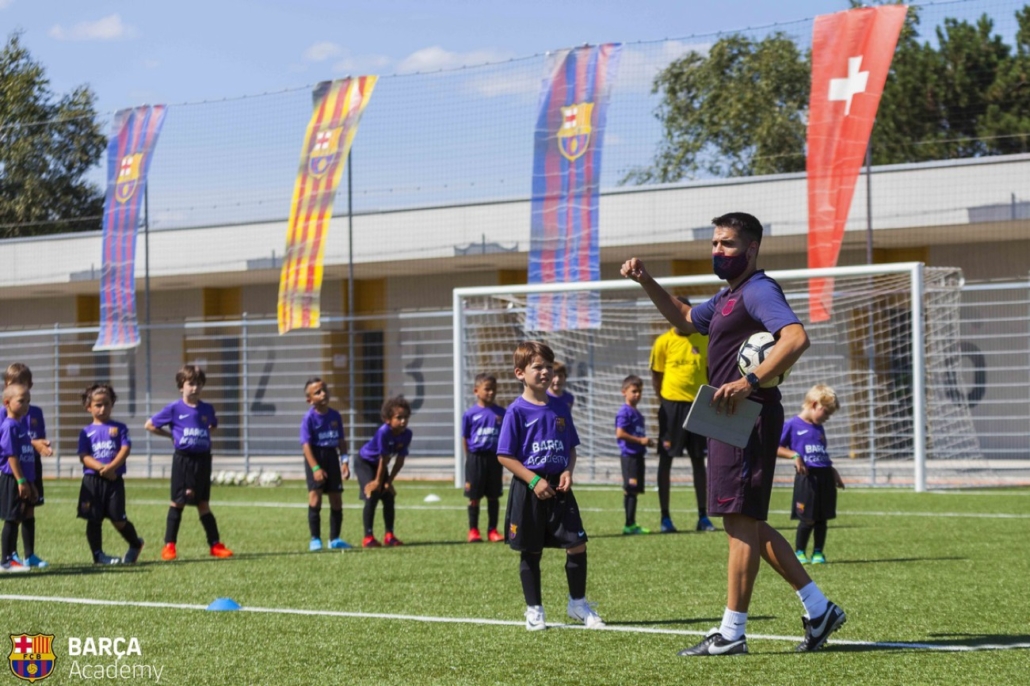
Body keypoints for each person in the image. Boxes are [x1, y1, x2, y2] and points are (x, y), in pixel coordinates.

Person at [621, 212, 846, 655]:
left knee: (739, 522)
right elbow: (685, 318)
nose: (717, 251)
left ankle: (731, 633)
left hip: (747, 416)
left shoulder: (760, 290)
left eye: (726, 244)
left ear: (751, 249)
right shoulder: (730, 295)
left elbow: (796, 338)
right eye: (715, 243)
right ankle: (819, 610)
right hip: (727, 418)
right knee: (746, 522)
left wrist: (752, 380)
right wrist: (646, 281)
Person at [497, 341, 604, 631]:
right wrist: (533, 480)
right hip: (529, 487)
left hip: (559, 489)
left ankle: (578, 604)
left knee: (577, 544)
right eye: (538, 367)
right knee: (531, 550)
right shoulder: (516, 411)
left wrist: (568, 471)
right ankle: (534, 610)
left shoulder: (560, 407)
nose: (546, 372)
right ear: (520, 373)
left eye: (549, 366)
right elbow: (505, 455)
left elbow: (571, 448)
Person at [145, 364, 234, 561]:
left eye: (199, 384)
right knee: (178, 502)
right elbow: (149, 425)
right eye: (191, 384)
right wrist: (171, 436)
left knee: (203, 503)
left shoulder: (207, 409)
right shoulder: (174, 408)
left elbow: (212, 426)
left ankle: (215, 544)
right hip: (183, 460)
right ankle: (169, 546)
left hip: (203, 459)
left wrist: (201, 436)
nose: (195, 388)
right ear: (181, 386)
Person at [648, 299, 715, 533]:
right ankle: (665, 518)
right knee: (666, 460)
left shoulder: (704, 339)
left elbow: (709, 371)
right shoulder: (663, 342)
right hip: (671, 407)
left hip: (698, 406)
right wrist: (665, 402)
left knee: (699, 461)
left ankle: (703, 517)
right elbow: (656, 376)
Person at [77, 384, 145, 565]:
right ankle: (98, 555)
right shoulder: (86, 432)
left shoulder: (119, 428)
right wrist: (101, 469)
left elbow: (125, 448)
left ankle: (135, 544)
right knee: (93, 519)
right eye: (98, 405)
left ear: (112, 404)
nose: (102, 408)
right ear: (88, 407)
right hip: (92, 481)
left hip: (114, 480)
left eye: (106, 404)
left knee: (118, 519)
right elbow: (84, 456)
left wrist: (112, 468)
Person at [778, 384, 844, 565]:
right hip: (807, 478)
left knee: (822, 518)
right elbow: (776, 447)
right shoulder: (792, 425)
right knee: (807, 519)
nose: (827, 418)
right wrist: (794, 455)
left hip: (824, 477)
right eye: (826, 413)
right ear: (815, 405)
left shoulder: (818, 427)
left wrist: (833, 471)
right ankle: (799, 552)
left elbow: (821, 453)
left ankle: (818, 553)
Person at [4, 363, 53, 568]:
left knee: (29, 509)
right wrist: (34, 444)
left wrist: (42, 445)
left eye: (22, 384)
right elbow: (9, 443)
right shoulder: (5, 414)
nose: (18, 388)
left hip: (31, 464)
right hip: (15, 470)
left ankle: (29, 555)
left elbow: (36, 437)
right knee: (14, 514)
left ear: (30, 385)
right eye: (12, 384)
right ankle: (9, 557)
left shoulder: (35, 412)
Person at [300, 377, 351, 552]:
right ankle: (315, 539)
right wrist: (315, 468)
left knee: (336, 499)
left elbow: (341, 441)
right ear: (310, 400)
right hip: (315, 456)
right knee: (316, 497)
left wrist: (344, 461)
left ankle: (334, 539)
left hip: (331, 457)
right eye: (317, 392)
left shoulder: (335, 416)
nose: (323, 394)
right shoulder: (308, 419)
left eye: (324, 390)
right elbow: (305, 445)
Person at [355, 396, 412, 548]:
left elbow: (399, 460)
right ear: (387, 419)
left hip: (381, 465)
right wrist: (377, 482)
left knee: (388, 496)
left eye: (406, 417)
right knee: (372, 494)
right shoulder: (383, 432)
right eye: (399, 417)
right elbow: (383, 458)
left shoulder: (407, 434)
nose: (403, 421)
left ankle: (389, 535)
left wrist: (388, 482)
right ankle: (368, 537)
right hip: (365, 463)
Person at [461, 373, 506, 543]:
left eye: (493, 389)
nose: (491, 392)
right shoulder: (470, 414)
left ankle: (492, 530)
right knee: (474, 496)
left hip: (494, 459)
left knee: (493, 495)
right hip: (475, 459)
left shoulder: (502, 412)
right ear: (476, 391)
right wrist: (470, 458)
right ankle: (473, 530)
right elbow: (465, 438)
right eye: (487, 389)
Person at [0, 384, 36, 572]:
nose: (26, 405)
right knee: (12, 518)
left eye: (28, 401)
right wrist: (21, 481)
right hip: (12, 478)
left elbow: (26, 457)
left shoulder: (20, 425)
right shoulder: (9, 426)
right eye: (21, 401)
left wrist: (31, 483)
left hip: (22, 479)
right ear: (7, 403)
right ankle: (6, 560)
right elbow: (11, 455)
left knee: (17, 517)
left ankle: (11, 558)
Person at [615, 375, 654, 535]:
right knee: (630, 489)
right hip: (629, 456)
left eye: (639, 391)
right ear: (624, 392)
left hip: (638, 456)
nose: (637, 394)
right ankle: (628, 524)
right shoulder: (624, 411)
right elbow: (620, 433)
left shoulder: (637, 413)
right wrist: (640, 441)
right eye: (634, 391)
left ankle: (632, 523)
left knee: (635, 490)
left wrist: (646, 442)